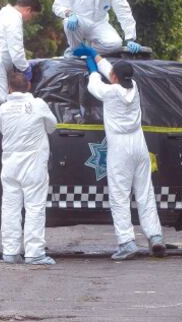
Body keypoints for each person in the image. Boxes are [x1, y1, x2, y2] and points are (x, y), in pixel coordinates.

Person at [74, 45, 165, 260]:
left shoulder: (111, 92)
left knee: (120, 196)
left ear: (115, 77)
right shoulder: (133, 87)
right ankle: (155, 237)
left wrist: (90, 63)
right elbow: (111, 72)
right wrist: (95, 55)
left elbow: (95, 82)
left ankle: (127, 242)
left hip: (120, 148)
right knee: (145, 193)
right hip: (139, 145)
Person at [0, 70, 58, 266]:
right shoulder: (38, 105)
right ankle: (34, 253)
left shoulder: (3, 109)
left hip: (10, 164)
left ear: (9, 88)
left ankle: (10, 252)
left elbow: (2, 129)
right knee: (34, 207)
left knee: (10, 208)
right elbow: (52, 126)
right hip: (33, 164)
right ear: (29, 86)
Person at [53, 0, 142, 55]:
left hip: (99, 24)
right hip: (80, 21)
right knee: (69, 22)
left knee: (116, 45)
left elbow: (124, 12)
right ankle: (75, 49)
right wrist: (70, 14)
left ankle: (85, 51)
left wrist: (129, 38)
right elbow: (58, 6)